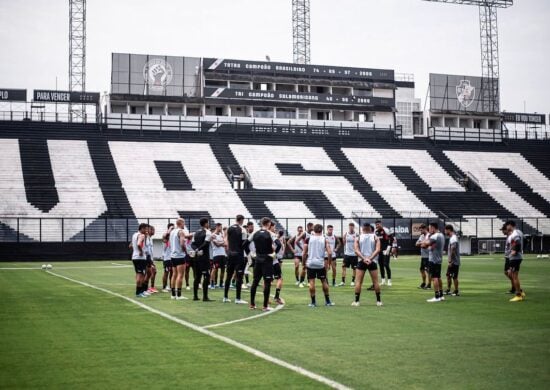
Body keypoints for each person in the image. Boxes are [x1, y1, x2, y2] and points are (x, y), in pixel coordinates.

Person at [302, 223, 335, 307]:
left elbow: (304, 253)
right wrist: (329, 264)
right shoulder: (325, 239)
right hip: (320, 264)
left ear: (314, 230)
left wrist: (303, 263)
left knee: (312, 282)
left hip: (310, 263)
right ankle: (327, 302)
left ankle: (313, 302)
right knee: (324, 281)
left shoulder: (308, 239)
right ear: (322, 230)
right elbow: (330, 253)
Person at [352, 223, 382, 307]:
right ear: (370, 228)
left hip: (362, 261)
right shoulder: (375, 237)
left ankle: (357, 302)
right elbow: (378, 249)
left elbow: (356, 250)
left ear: (362, 228)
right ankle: (379, 301)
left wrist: (364, 258)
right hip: (372, 261)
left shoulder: (358, 237)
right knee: (376, 282)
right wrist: (370, 258)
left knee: (358, 282)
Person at [249, 217, 275, 311]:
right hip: (267, 260)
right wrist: (274, 254)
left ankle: (252, 304)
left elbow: (245, 243)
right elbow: (278, 245)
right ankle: (265, 306)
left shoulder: (254, 233)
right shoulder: (270, 233)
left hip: (257, 259)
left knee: (255, 282)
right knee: (267, 282)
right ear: (268, 224)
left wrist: (252, 254)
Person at [223, 215, 248, 304]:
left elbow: (226, 241)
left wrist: (228, 251)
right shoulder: (243, 229)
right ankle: (238, 299)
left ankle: (225, 297)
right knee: (239, 276)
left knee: (228, 276)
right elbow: (244, 243)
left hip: (230, 254)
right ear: (241, 220)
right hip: (238, 255)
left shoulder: (229, 228)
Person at [421, 222, 445, 303]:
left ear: (433, 228)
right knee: (438, 277)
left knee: (434, 278)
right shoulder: (441, 235)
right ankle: (441, 295)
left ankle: (436, 296)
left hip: (433, 259)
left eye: (430, 228)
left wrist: (424, 242)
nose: (429, 230)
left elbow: (424, 245)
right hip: (439, 259)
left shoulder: (435, 236)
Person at [191, 218, 213, 301]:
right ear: (206, 223)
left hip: (196, 257)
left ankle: (195, 296)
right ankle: (205, 297)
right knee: (206, 276)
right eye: (208, 223)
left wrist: (196, 250)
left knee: (197, 277)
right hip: (204, 257)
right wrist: (199, 249)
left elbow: (192, 244)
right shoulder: (208, 232)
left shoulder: (195, 232)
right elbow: (206, 243)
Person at [169, 218, 189, 300]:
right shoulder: (181, 232)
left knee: (174, 275)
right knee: (180, 275)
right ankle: (179, 295)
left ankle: (173, 294)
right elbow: (182, 244)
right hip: (179, 256)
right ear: (181, 223)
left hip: (173, 255)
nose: (184, 225)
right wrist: (186, 251)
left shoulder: (172, 231)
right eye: (184, 223)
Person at [506, 220, 526, 302]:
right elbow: (525, 241)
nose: (507, 227)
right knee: (511, 274)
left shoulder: (515, 233)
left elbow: (517, 242)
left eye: (507, 225)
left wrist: (515, 251)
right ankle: (520, 292)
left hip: (515, 257)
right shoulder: (519, 232)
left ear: (510, 225)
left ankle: (518, 295)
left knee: (514, 276)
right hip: (517, 257)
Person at [130, 223, 149, 297]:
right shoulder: (142, 235)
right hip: (140, 258)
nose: (147, 230)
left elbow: (131, 245)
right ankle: (139, 292)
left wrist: (136, 251)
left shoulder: (134, 235)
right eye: (146, 229)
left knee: (139, 274)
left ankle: (140, 291)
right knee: (141, 275)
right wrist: (140, 251)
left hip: (135, 257)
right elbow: (138, 244)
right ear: (142, 228)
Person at [375, 220, 396, 286]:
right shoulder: (376, 232)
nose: (377, 226)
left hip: (386, 250)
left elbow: (392, 239)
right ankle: (383, 280)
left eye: (378, 224)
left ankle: (389, 281)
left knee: (386, 265)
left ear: (381, 224)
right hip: (379, 251)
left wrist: (389, 248)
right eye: (376, 224)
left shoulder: (386, 230)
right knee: (380, 265)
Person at [340, 222, 358, 286]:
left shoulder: (356, 234)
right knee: (343, 267)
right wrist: (344, 240)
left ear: (353, 227)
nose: (351, 228)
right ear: (349, 227)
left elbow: (359, 243)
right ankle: (343, 281)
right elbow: (343, 240)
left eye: (352, 226)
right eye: (350, 226)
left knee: (354, 269)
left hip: (354, 255)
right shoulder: (346, 234)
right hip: (347, 254)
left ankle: (353, 281)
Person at [296, 222, 314, 288]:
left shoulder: (313, 233)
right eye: (312, 226)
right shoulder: (304, 233)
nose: (313, 228)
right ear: (309, 227)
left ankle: (309, 281)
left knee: (310, 267)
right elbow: (297, 241)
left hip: (311, 253)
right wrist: (302, 248)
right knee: (304, 267)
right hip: (306, 253)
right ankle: (301, 282)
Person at [444, 225, 460, 296]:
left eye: (445, 230)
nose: (445, 232)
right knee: (448, 275)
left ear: (449, 230)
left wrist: (450, 260)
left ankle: (456, 291)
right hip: (453, 261)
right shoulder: (452, 238)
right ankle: (448, 289)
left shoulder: (453, 238)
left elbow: (453, 249)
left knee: (454, 277)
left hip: (454, 262)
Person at [210, 223, 226, 290]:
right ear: (217, 227)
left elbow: (225, 244)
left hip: (223, 254)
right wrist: (223, 243)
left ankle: (221, 283)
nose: (221, 229)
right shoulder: (213, 235)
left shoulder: (221, 235)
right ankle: (212, 283)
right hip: (216, 255)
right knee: (214, 269)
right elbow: (217, 245)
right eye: (220, 227)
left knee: (223, 269)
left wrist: (222, 243)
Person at [415, 224, 431, 289]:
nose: (420, 230)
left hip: (428, 256)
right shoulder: (422, 236)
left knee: (428, 270)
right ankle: (424, 283)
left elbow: (425, 246)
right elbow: (416, 244)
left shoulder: (428, 235)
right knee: (421, 270)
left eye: (421, 229)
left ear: (425, 229)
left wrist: (422, 243)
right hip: (423, 256)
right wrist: (423, 243)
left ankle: (429, 284)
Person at [272, 227, 285, 305]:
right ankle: (276, 297)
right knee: (280, 278)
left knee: (266, 280)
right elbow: (279, 245)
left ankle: (265, 300)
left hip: (264, 260)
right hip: (273, 260)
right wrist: (275, 254)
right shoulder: (273, 237)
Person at [501, 224, 515, 294]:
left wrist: (511, 254)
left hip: (510, 257)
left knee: (510, 273)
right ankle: (514, 287)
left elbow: (514, 246)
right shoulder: (508, 237)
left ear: (506, 230)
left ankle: (515, 288)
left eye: (503, 230)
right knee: (507, 273)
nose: (502, 232)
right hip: (508, 257)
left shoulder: (511, 236)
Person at [144, 225, 158, 294]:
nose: (154, 231)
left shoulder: (150, 238)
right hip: (147, 258)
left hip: (150, 258)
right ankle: (146, 288)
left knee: (153, 272)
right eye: (152, 230)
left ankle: (150, 287)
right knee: (149, 273)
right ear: (149, 230)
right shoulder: (146, 238)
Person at [161, 223, 174, 292]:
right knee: (166, 272)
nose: (172, 230)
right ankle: (164, 287)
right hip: (167, 258)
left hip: (172, 258)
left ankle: (171, 285)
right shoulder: (165, 236)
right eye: (172, 228)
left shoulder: (172, 237)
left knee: (172, 272)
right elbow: (164, 237)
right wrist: (169, 230)